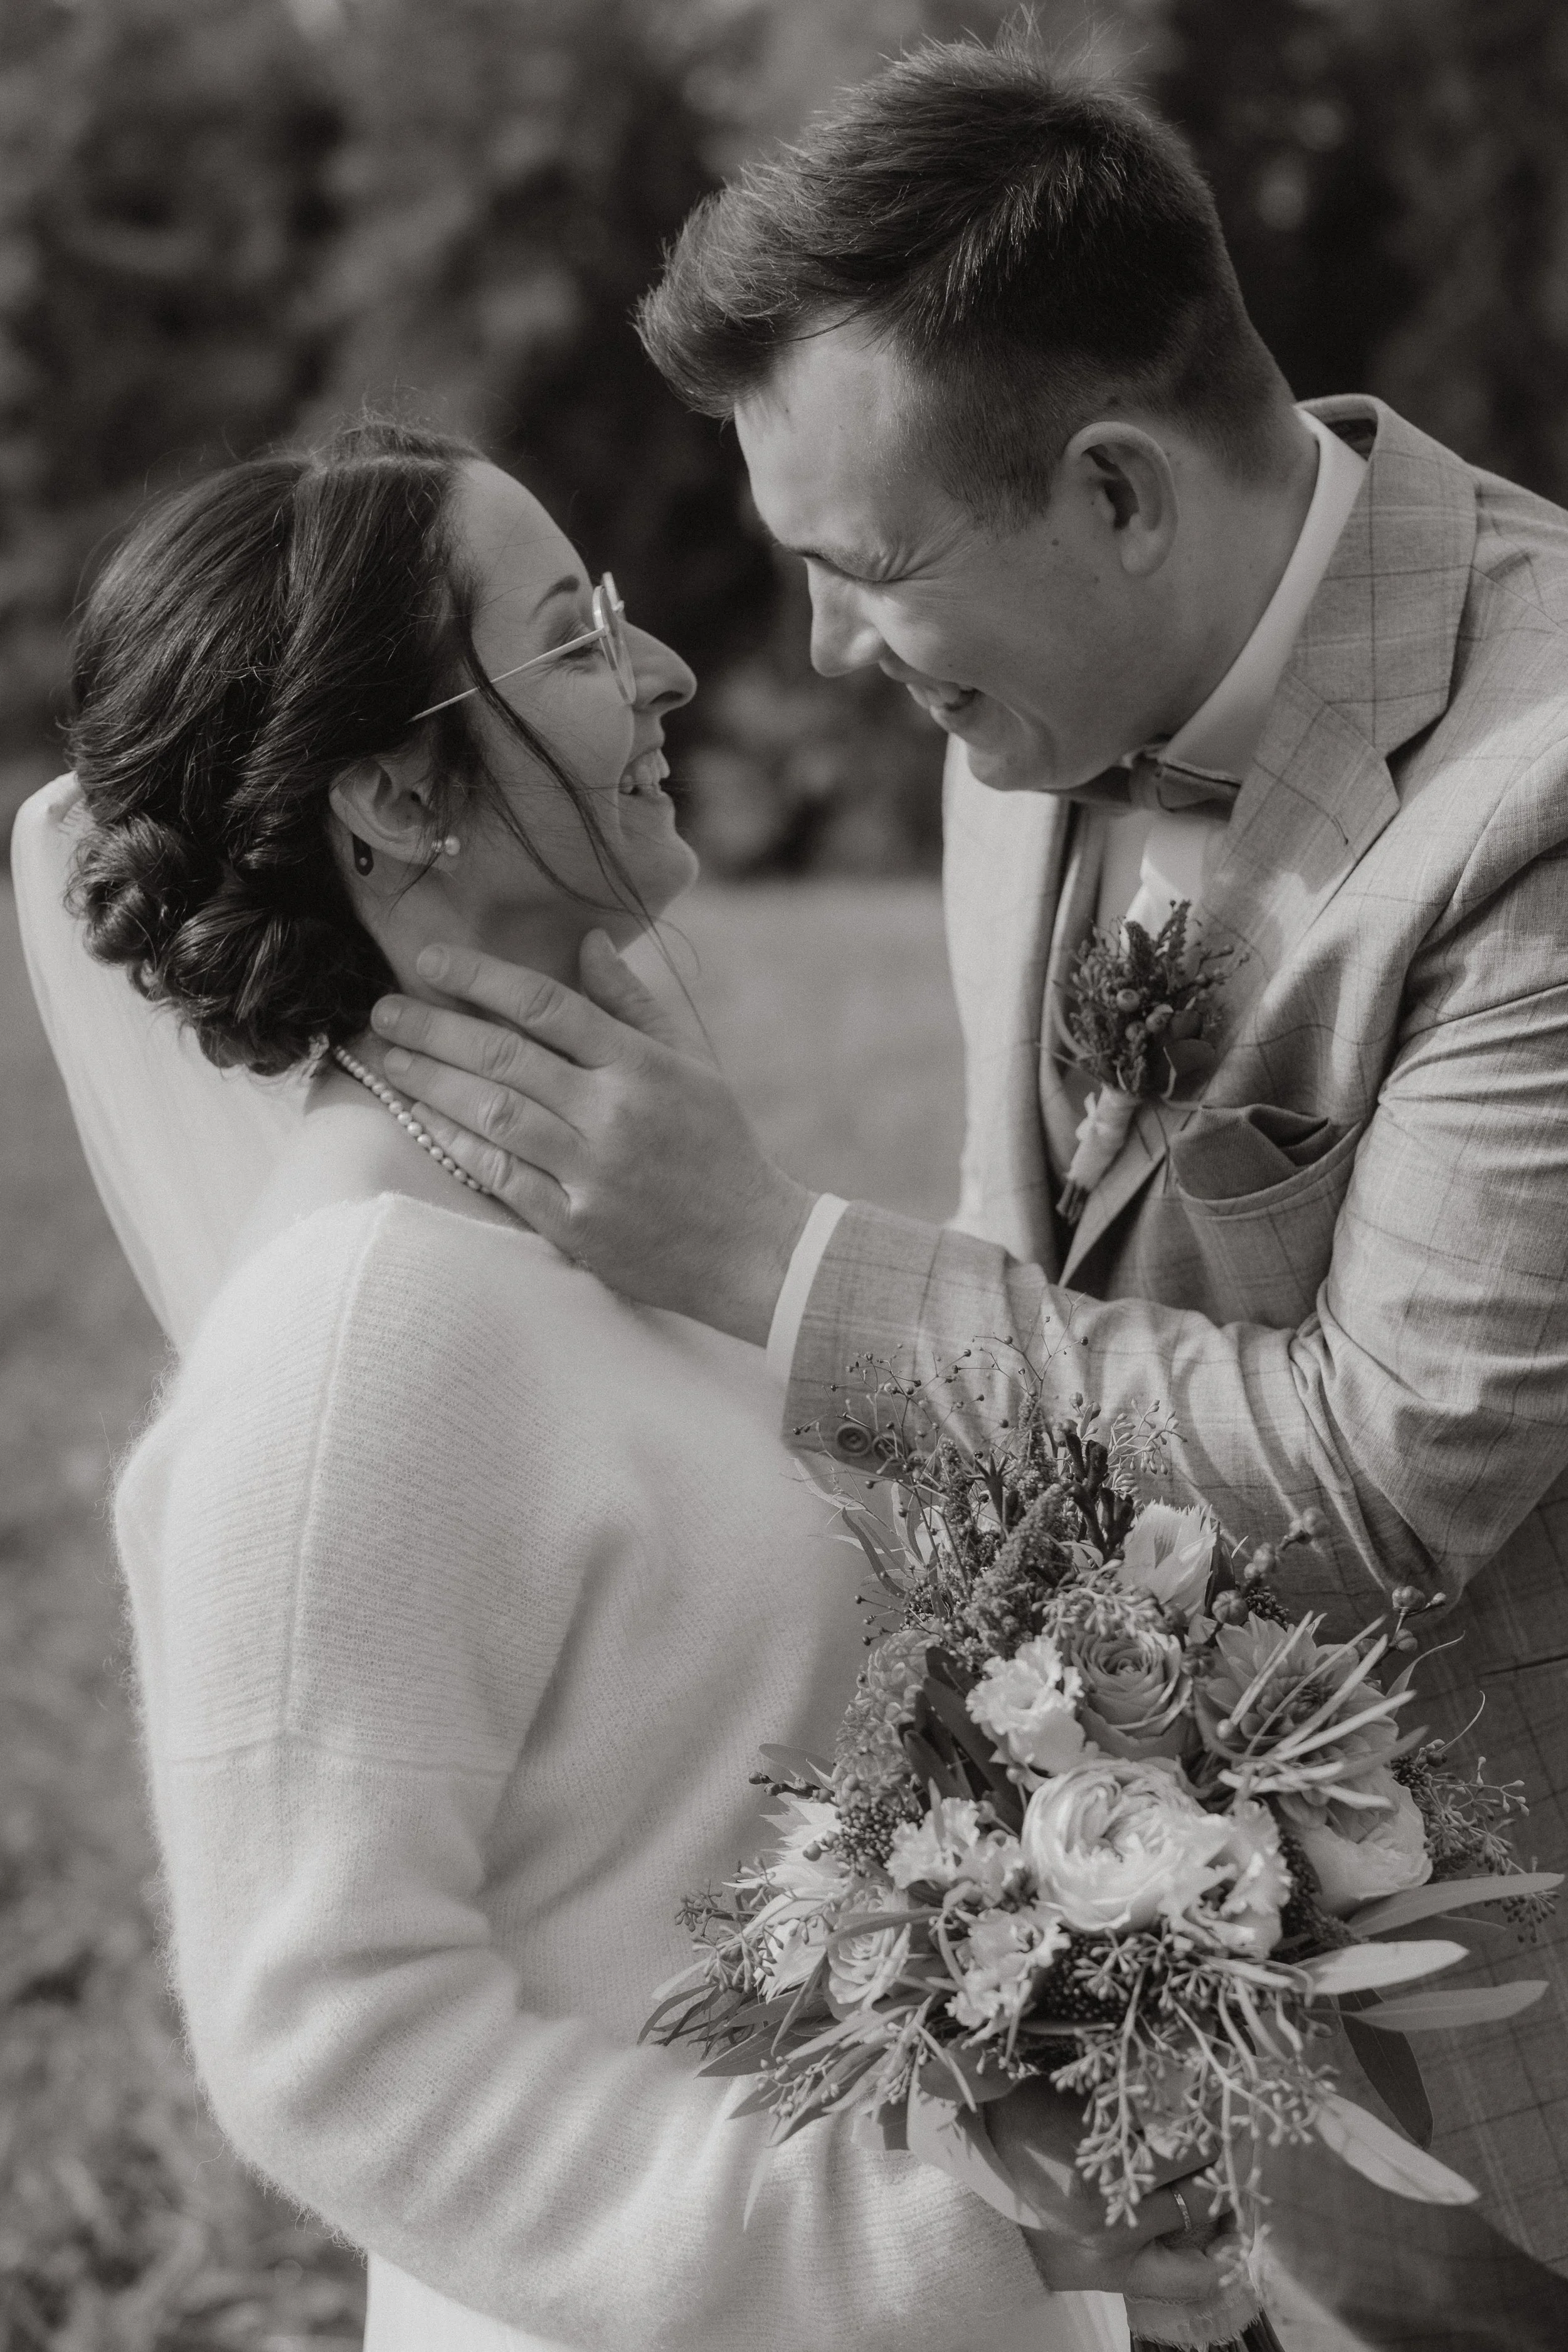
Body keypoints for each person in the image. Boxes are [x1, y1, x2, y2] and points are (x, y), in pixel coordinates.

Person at [356, 34, 1568, 2282]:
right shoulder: (1002, 720)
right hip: (1191, 2066)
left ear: (1114, 491)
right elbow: (1063, 1263)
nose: (814, 646)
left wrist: (775, 1261)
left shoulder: (1540, 787)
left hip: (1530, 2087)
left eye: (865, 565)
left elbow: (1396, 1457)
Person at [12, 415, 1222, 2352]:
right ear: (402, 790)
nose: (659, 671)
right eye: (574, 639)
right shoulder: (354, 1350)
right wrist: (926, 2238)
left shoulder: (636, 1215)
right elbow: (329, 2039)